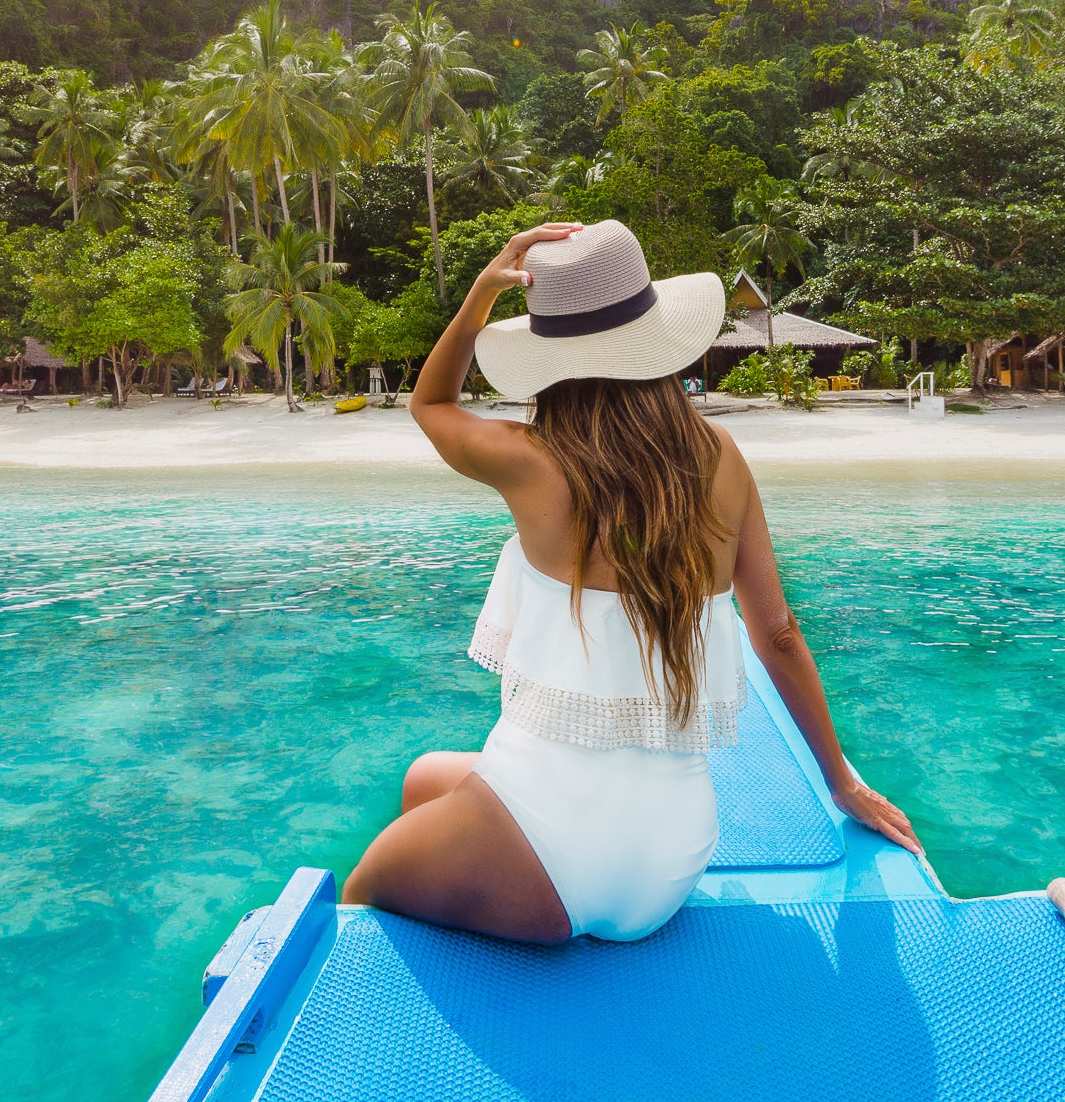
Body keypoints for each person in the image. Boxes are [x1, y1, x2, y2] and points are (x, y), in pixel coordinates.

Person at [343, 218, 918, 944]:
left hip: (546, 858)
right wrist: (842, 783)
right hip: (671, 864)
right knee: (425, 778)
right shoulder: (720, 456)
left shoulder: (527, 458)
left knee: (360, 892)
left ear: (549, 353)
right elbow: (777, 633)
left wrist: (480, 298)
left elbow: (431, 404)